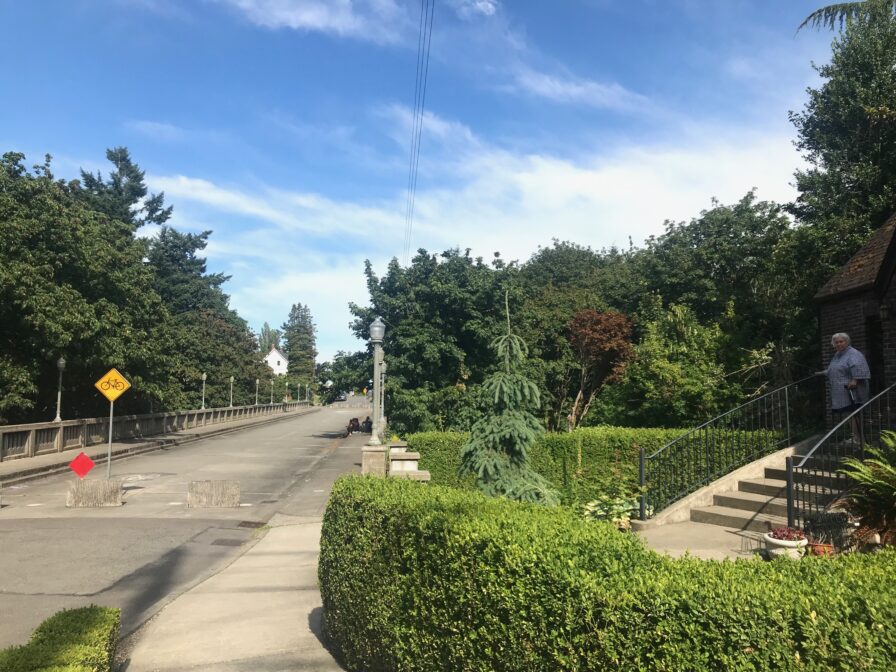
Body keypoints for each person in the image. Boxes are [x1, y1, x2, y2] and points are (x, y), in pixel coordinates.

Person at [821, 332, 871, 441]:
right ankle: (855, 436)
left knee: (853, 413)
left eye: (841, 341)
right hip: (841, 392)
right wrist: (823, 372)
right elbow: (835, 369)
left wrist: (855, 380)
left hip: (852, 390)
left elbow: (860, 367)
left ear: (847, 342)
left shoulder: (853, 353)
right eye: (836, 342)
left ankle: (858, 438)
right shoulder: (837, 355)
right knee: (849, 414)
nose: (838, 344)